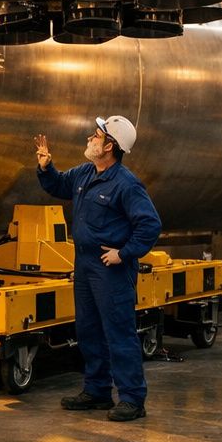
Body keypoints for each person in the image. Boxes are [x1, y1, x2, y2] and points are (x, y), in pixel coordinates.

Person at [35, 114, 162, 423]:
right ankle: (97, 390)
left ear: (110, 146)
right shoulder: (85, 173)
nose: (90, 139)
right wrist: (45, 167)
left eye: (96, 135)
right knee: (88, 330)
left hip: (111, 269)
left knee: (119, 333)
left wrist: (125, 253)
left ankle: (132, 398)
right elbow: (58, 185)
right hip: (85, 264)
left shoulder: (126, 184)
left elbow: (150, 225)